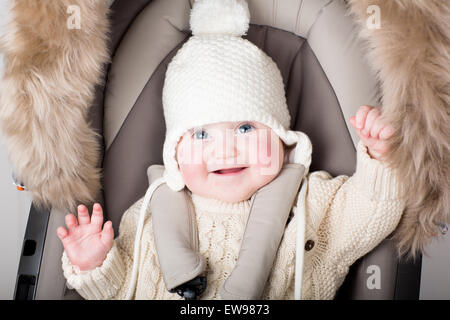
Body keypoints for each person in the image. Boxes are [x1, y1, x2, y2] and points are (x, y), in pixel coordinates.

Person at [56, 0, 405, 300]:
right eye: (201, 135)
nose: (225, 149)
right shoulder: (148, 215)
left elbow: (372, 212)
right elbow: (122, 289)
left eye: (246, 127)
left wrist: (381, 156)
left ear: (283, 139)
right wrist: (95, 264)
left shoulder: (313, 204)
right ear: (175, 154)